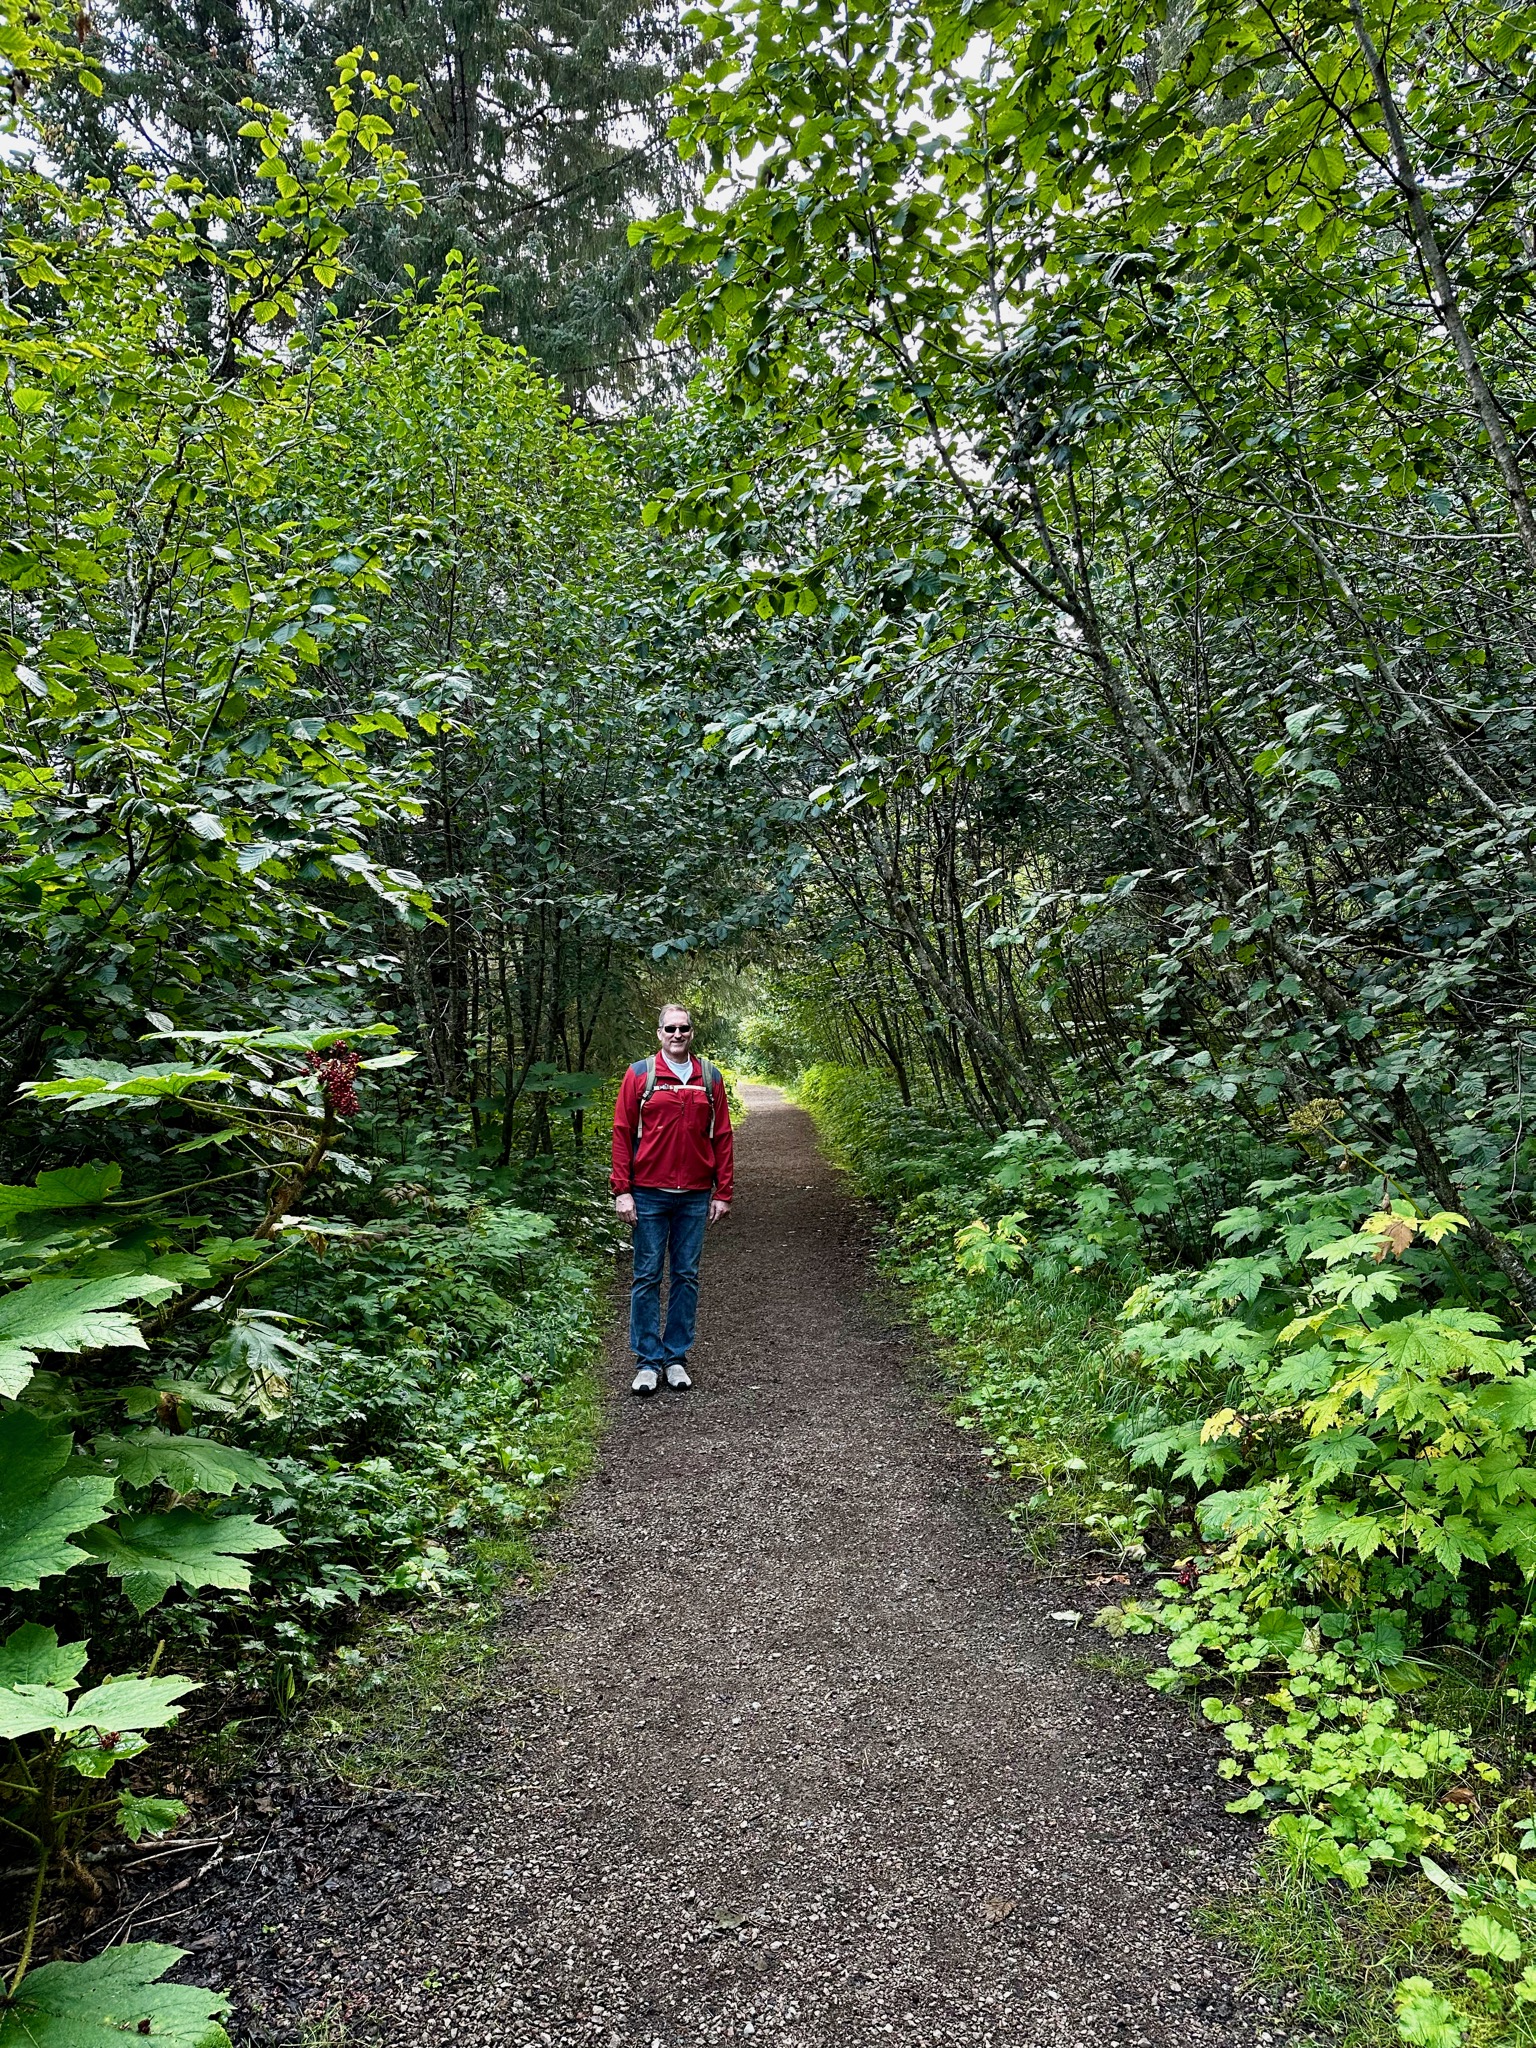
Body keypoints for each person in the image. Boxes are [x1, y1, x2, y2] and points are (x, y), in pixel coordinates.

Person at [611, 1003, 733, 1396]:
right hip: (648, 1193)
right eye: (670, 1029)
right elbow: (622, 1131)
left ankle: (676, 1357)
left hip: (695, 1196)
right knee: (647, 1276)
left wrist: (723, 1191)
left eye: (684, 1028)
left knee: (686, 1276)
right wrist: (622, 1190)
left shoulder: (709, 1077)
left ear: (691, 1033)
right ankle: (647, 1362)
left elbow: (723, 1136)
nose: (677, 1034)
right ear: (659, 1033)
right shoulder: (640, 1075)